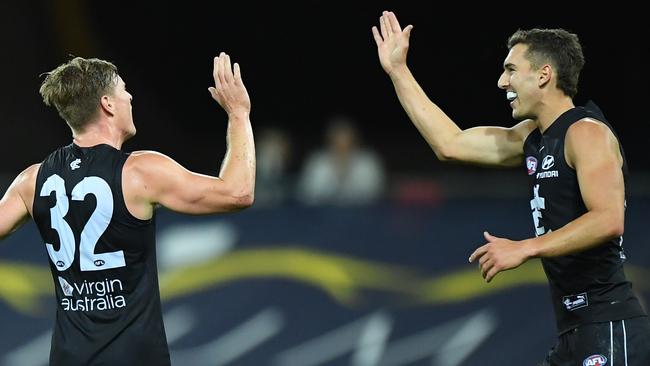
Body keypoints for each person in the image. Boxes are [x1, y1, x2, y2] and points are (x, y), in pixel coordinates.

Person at [372, 10, 649, 365]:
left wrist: (525, 248)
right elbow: (450, 143)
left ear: (544, 74)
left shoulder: (586, 133)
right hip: (574, 331)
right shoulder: (532, 138)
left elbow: (608, 219)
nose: (502, 81)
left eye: (512, 70)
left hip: (609, 325)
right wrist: (398, 71)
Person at [0, 53, 255, 365]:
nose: (130, 96)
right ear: (107, 104)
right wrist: (238, 114)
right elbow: (238, 192)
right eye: (123, 90)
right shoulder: (139, 172)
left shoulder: (33, 178)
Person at [297, 114, 386, 205]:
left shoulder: (368, 162)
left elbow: (375, 193)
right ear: (329, 141)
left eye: (347, 140)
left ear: (355, 140)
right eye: (337, 140)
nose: (342, 146)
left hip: (361, 212)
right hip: (324, 212)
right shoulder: (317, 161)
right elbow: (307, 193)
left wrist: (348, 174)